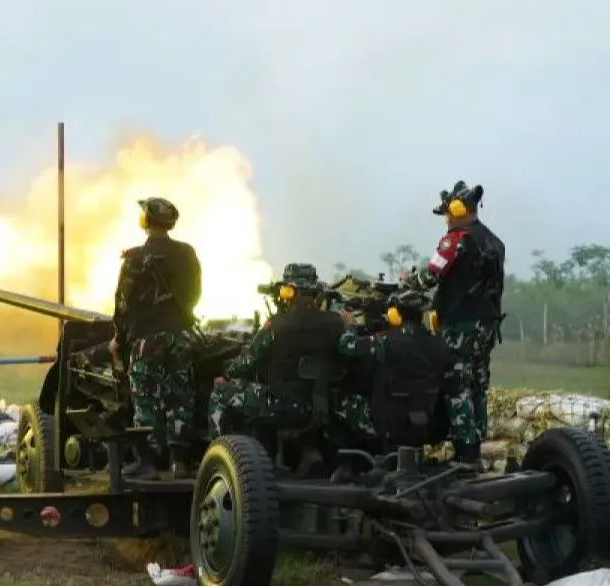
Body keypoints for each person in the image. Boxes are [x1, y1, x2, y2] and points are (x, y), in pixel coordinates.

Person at [404, 181, 505, 463]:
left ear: (459, 210)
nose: (446, 219)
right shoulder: (495, 242)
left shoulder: (456, 239)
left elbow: (429, 276)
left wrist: (408, 282)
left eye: (448, 213)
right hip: (488, 325)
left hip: (461, 324)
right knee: (477, 384)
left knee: (455, 384)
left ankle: (465, 451)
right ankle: (476, 445)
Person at [108, 197, 202, 480]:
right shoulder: (187, 253)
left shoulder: (135, 257)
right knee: (180, 397)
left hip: (147, 338)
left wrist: (118, 338)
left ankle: (147, 462)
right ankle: (181, 462)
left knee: (145, 399)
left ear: (146, 222)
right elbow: (195, 293)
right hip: (181, 335)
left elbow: (123, 303)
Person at [205, 264, 345, 450]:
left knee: (221, 393)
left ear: (289, 292)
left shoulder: (278, 324)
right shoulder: (337, 323)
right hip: (320, 406)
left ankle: (218, 454)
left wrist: (227, 372)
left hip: (281, 405)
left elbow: (246, 363)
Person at [335, 289, 477, 471]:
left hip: (388, 427)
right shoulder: (441, 346)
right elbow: (458, 386)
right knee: (458, 393)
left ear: (395, 315)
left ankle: (354, 457)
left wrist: (350, 326)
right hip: (426, 426)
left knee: (346, 397)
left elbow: (346, 345)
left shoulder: (386, 341)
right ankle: (467, 455)